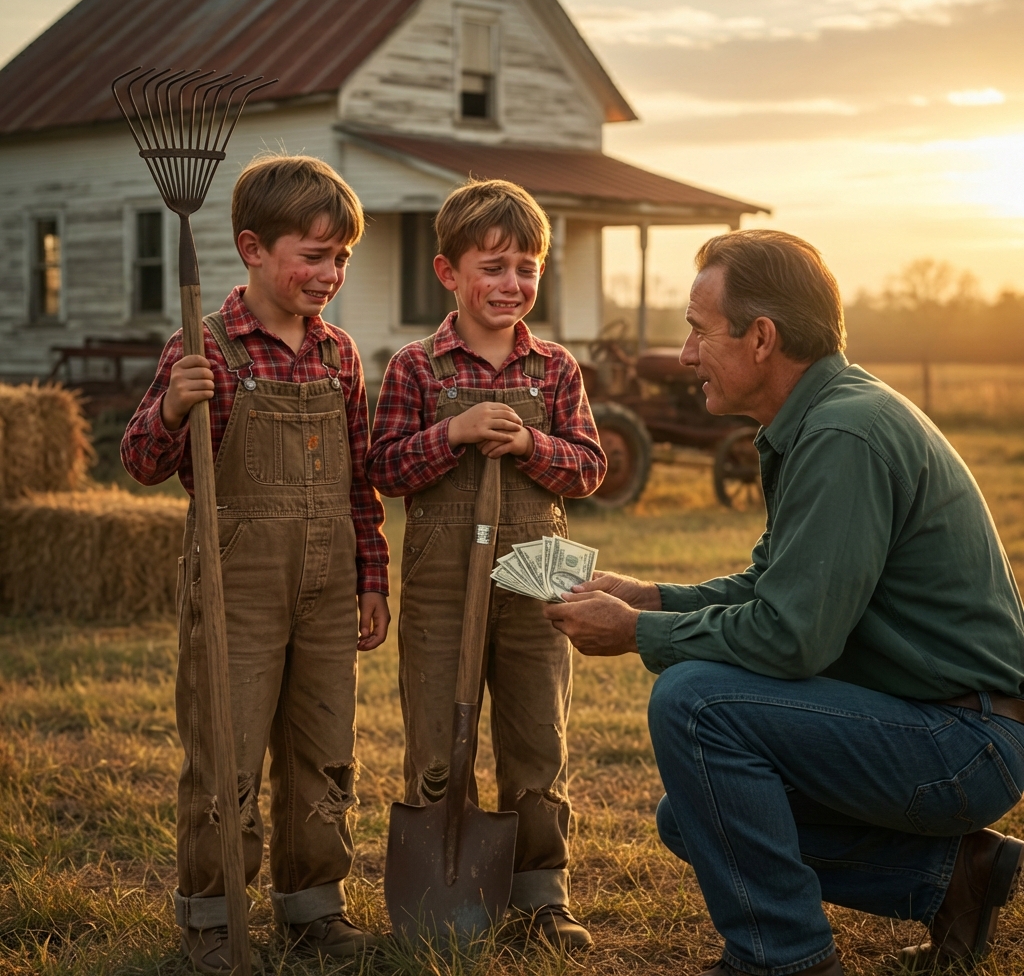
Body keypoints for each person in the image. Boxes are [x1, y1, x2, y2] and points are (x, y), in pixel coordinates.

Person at [544, 229, 1024, 976]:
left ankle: (786, 958)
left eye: (699, 331)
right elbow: (775, 588)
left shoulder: (843, 434)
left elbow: (791, 638)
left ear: (761, 338)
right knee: (693, 818)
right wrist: (653, 595)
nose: (687, 354)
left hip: (964, 741)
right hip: (945, 722)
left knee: (695, 703)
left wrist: (641, 633)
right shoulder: (823, 418)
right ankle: (953, 879)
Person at [121, 154, 390, 972]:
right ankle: (213, 916)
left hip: (326, 585)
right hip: (237, 584)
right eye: (312, 255)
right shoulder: (204, 347)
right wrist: (173, 404)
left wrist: (372, 577)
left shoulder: (340, 354)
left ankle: (313, 908)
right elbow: (139, 458)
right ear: (251, 248)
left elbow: (360, 482)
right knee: (225, 754)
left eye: (341, 256)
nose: (329, 273)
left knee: (323, 750)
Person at [366, 179, 607, 949]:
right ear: (448, 272)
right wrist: (458, 431)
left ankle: (541, 896)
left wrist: (535, 445)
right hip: (442, 583)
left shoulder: (556, 369)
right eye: (494, 266)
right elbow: (385, 468)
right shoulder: (417, 367)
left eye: (527, 268)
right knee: (438, 737)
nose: (512, 285)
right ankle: (449, 893)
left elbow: (590, 468)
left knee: (538, 738)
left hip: (542, 572)